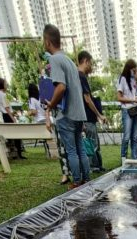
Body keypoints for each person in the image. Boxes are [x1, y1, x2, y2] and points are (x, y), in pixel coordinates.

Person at [43, 24, 90, 187]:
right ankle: (86, 179)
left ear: (48, 41)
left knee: (71, 151)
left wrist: (51, 105)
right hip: (79, 113)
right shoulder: (70, 61)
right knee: (80, 149)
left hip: (67, 114)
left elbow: (61, 87)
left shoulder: (54, 60)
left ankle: (77, 182)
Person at [77, 50, 107, 171]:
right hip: (87, 117)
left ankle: (97, 165)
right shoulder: (80, 76)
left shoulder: (79, 76)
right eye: (91, 63)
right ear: (85, 61)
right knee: (90, 142)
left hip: (87, 117)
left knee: (93, 142)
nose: (92, 66)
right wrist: (99, 115)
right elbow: (87, 99)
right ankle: (93, 166)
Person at [0, 77, 26, 160]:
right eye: (5, 83)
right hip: (8, 116)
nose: (7, 85)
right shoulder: (3, 95)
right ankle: (19, 154)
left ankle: (14, 153)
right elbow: (7, 108)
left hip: (6, 116)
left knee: (11, 136)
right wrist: (13, 118)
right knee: (16, 135)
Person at [117, 59, 137, 161]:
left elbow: (134, 95)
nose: (134, 72)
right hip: (127, 110)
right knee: (126, 137)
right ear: (129, 69)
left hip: (135, 110)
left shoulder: (133, 81)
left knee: (134, 137)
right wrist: (132, 100)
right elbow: (119, 97)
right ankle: (124, 159)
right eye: (133, 70)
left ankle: (134, 158)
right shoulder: (122, 79)